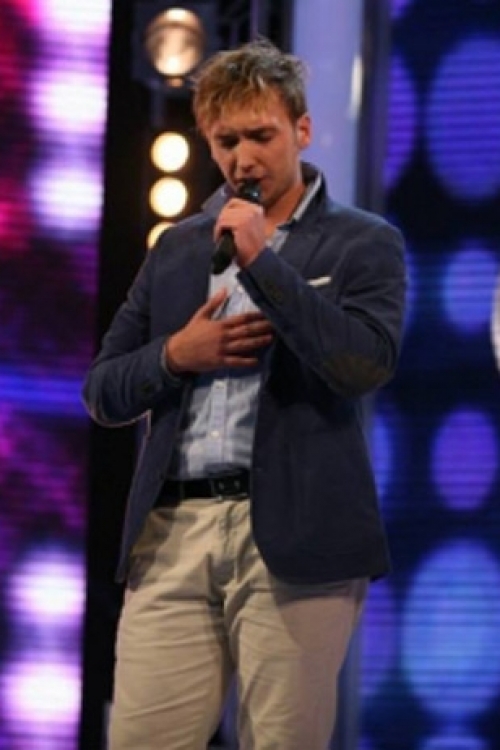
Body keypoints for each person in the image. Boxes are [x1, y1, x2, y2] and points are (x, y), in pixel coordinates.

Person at [83, 38, 406, 750]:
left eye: (261, 135)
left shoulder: (362, 242)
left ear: (302, 129)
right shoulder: (179, 248)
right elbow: (103, 390)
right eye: (226, 142)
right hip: (173, 532)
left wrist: (262, 260)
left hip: (295, 534)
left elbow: (362, 364)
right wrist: (176, 355)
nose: (243, 159)